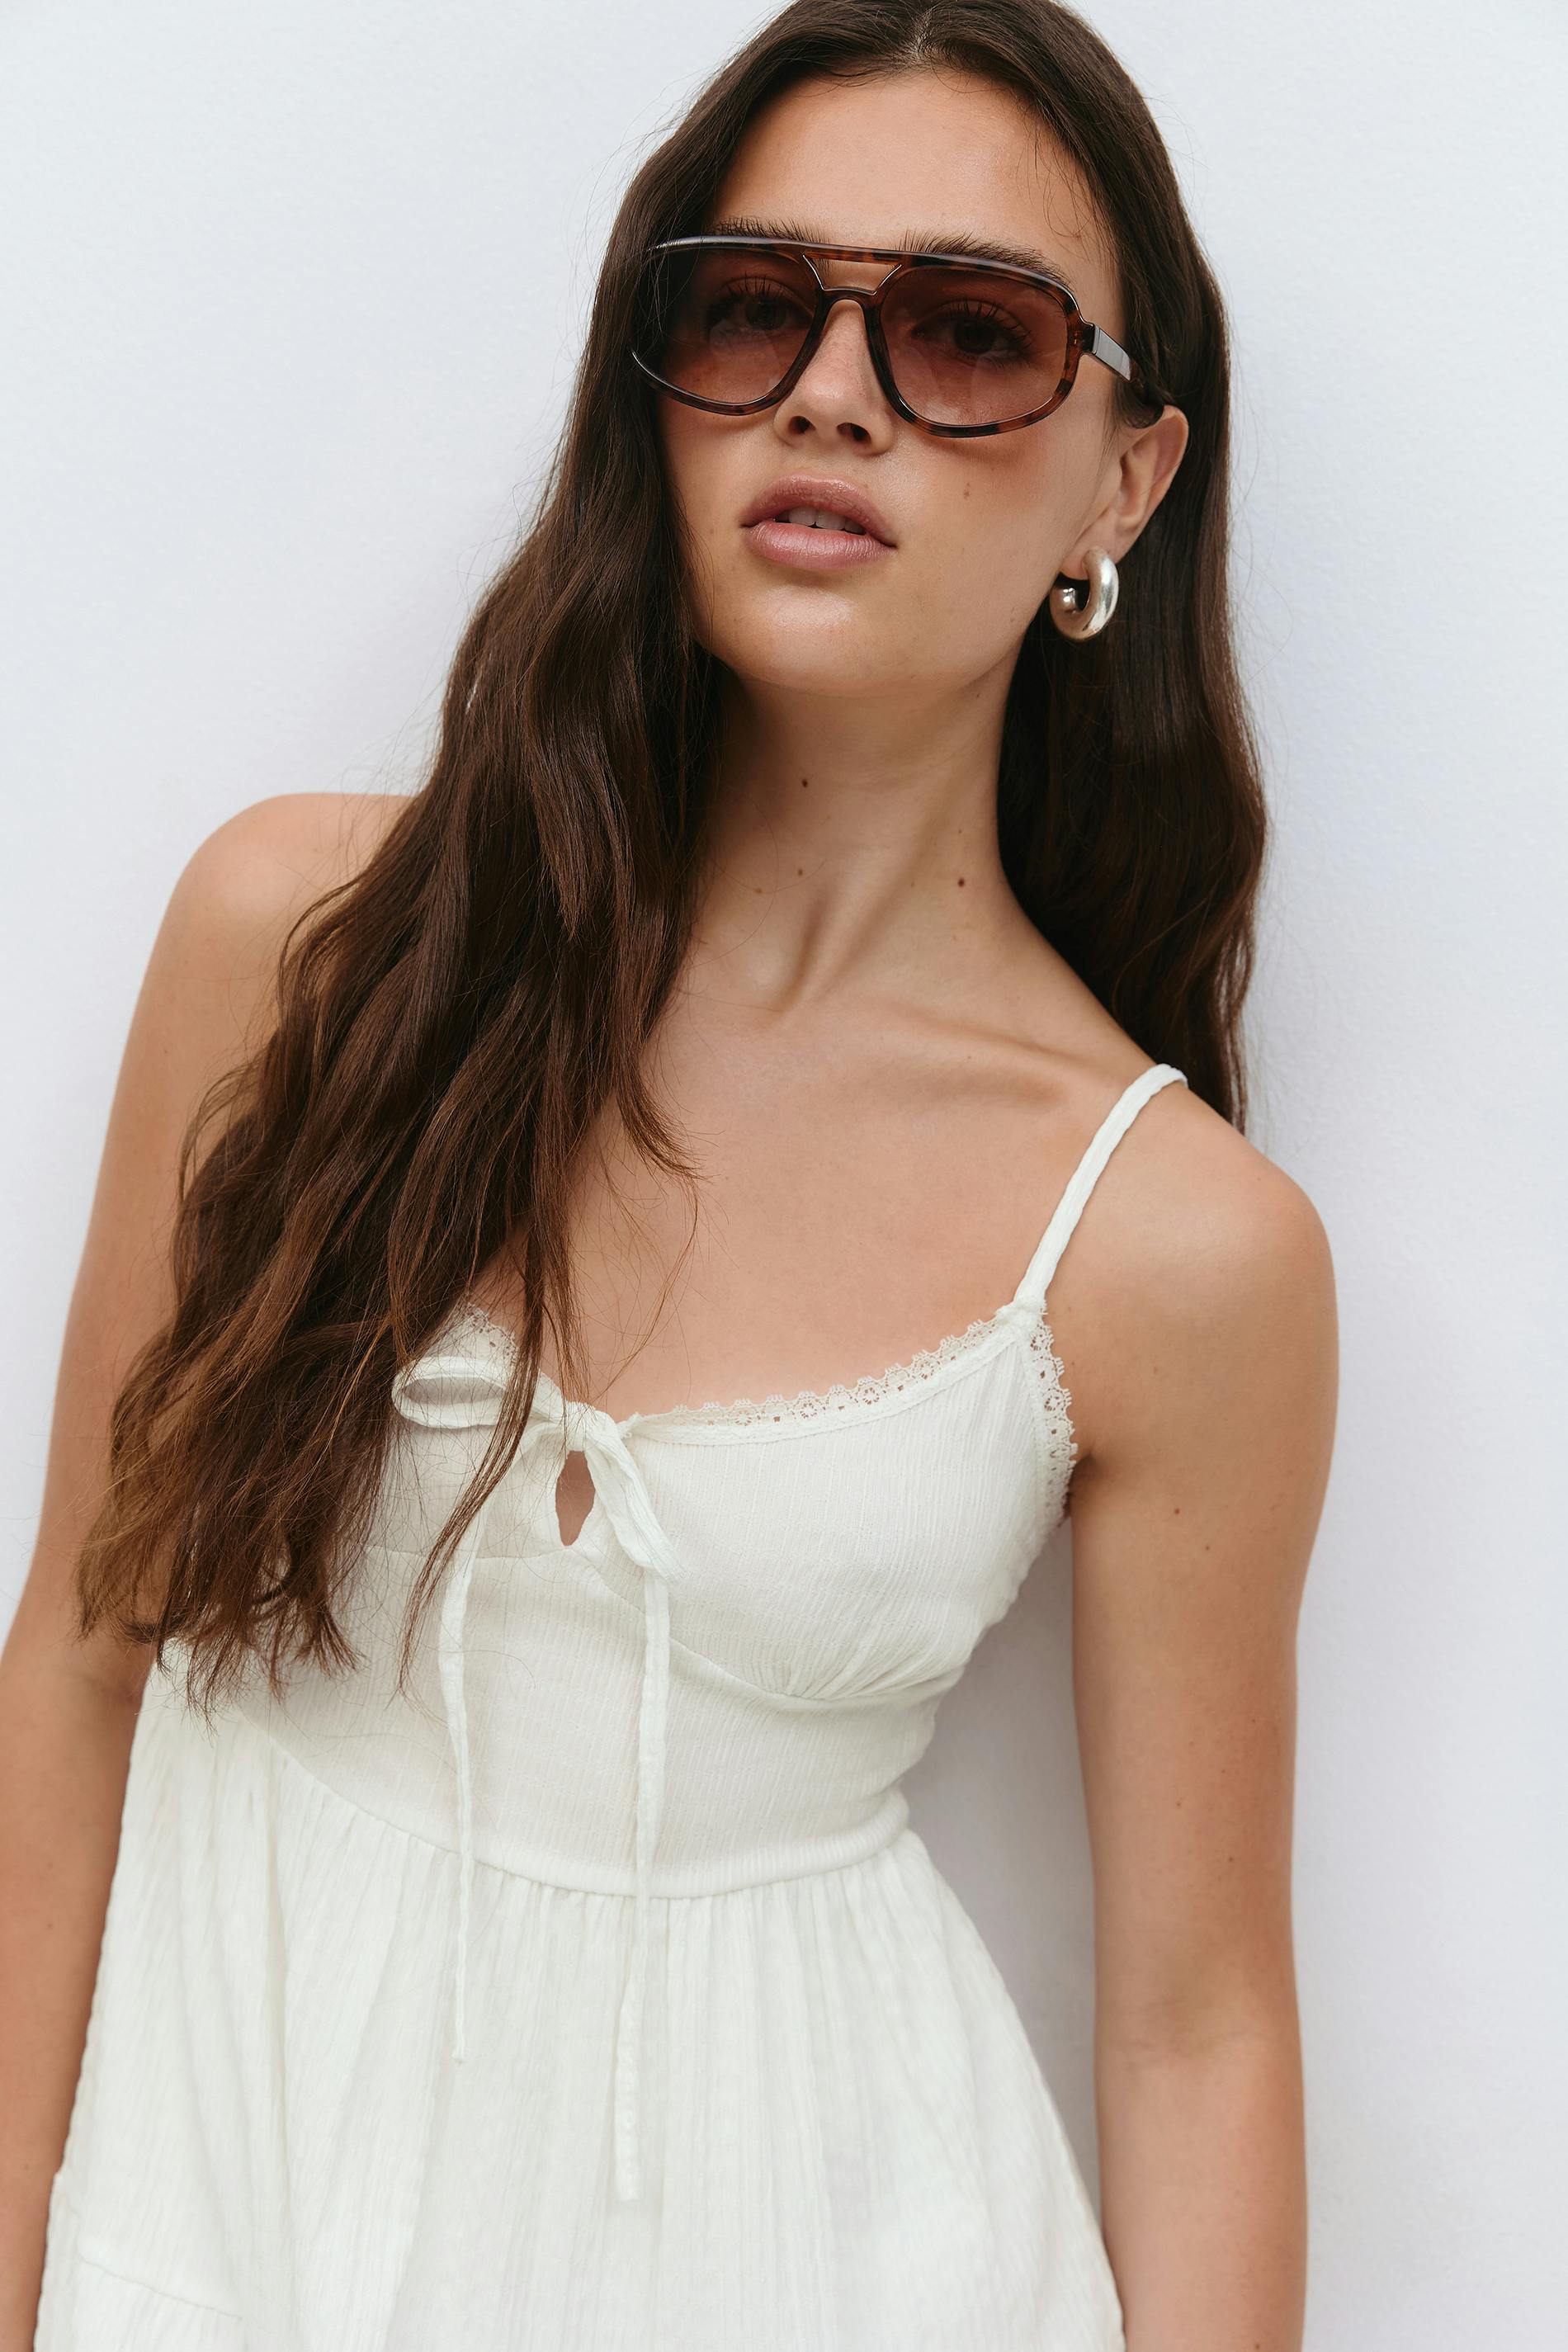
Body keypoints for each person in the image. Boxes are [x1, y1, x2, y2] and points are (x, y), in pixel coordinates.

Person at [2, 2, 1338, 2346]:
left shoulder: (1170, 1242)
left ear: (1123, 484)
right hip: (219, 2238)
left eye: (967, 334)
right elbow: (79, 1671)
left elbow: (1196, 2028)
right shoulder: (303, 953)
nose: (831, 393)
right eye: (751, 307)